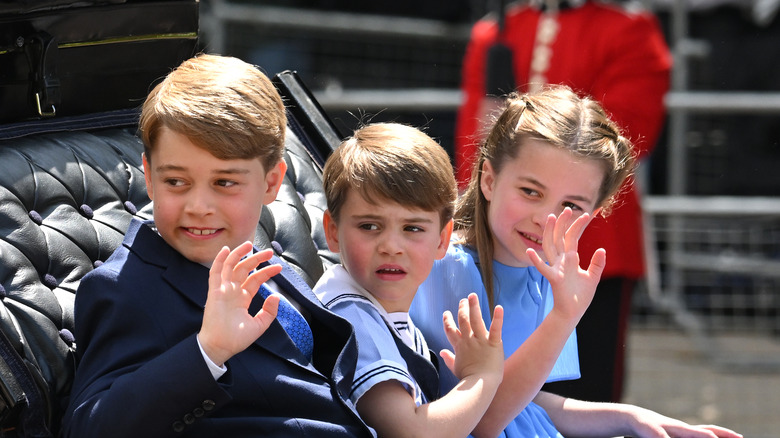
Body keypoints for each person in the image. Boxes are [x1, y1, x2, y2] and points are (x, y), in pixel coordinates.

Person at [62, 54, 374, 437]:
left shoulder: (270, 266)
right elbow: (89, 427)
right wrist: (207, 350)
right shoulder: (125, 288)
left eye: (224, 183)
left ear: (272, 182)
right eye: (176, 181)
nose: (198, 207)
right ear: (149, 175)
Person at [410, 85, 742, 438]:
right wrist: (564, 316)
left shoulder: (550, 277)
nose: (546, 218)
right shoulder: (447, 268)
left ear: (594, 215)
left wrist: (632, 417)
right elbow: (485, 419)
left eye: (571, 206)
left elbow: (530, 404)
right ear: (489, 180)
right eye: (530, 192)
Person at [454, 0, 673, 403]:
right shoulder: (493, 33)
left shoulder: (629, 30)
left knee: (586, 391)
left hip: (588, 244)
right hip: (500, 239)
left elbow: (623, 137)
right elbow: (474, 145)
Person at [314, 122, 505, 437]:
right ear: (333, 232)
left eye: (412, 228)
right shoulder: (350, 316)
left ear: (443, 240)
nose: (391, 246)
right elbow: (412, 432)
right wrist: (482, 376)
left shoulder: (383, 309)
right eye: (369, 226)